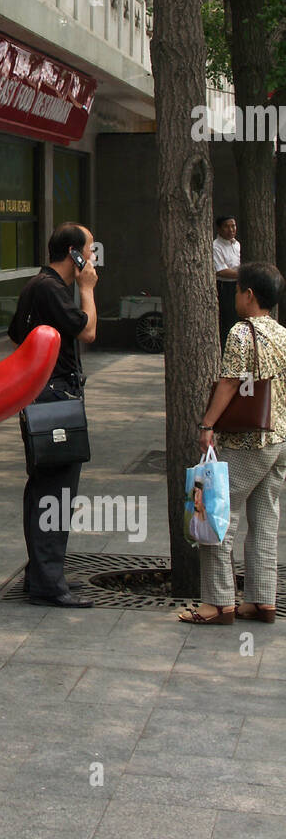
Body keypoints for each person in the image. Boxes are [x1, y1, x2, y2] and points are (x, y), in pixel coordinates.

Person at [181, 261, 286, 626]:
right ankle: (261, 600)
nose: (235, 297)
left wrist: (207, 424)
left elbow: (229, 383)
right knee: (265, 521)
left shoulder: (241, 332)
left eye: (238, 290)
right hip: (279, 441)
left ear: (249, 295)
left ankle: (218, 603)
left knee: (214, 513)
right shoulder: (281, 333)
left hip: (248, 441)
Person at [9, 222, 98, 608]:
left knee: (44, 487)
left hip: (43, 396)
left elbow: (15, 332)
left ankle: (42, 573)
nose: (92, 258)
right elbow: (88, 331)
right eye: (89, 250)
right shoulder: (51, 289)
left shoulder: (37, 286)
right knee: (56, 492)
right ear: (73, 253)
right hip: (55, 399)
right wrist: (87, 289)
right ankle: (48, 582)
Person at [214, 216, 240, 349]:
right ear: (219, 229)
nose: (231, 229)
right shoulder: (216, 246)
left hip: (238, 286)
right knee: (227, 321)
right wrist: (244, 274)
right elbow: (221, 271)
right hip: (224, 287)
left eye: (233, 226)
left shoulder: (237, 244)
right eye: (226, 226)